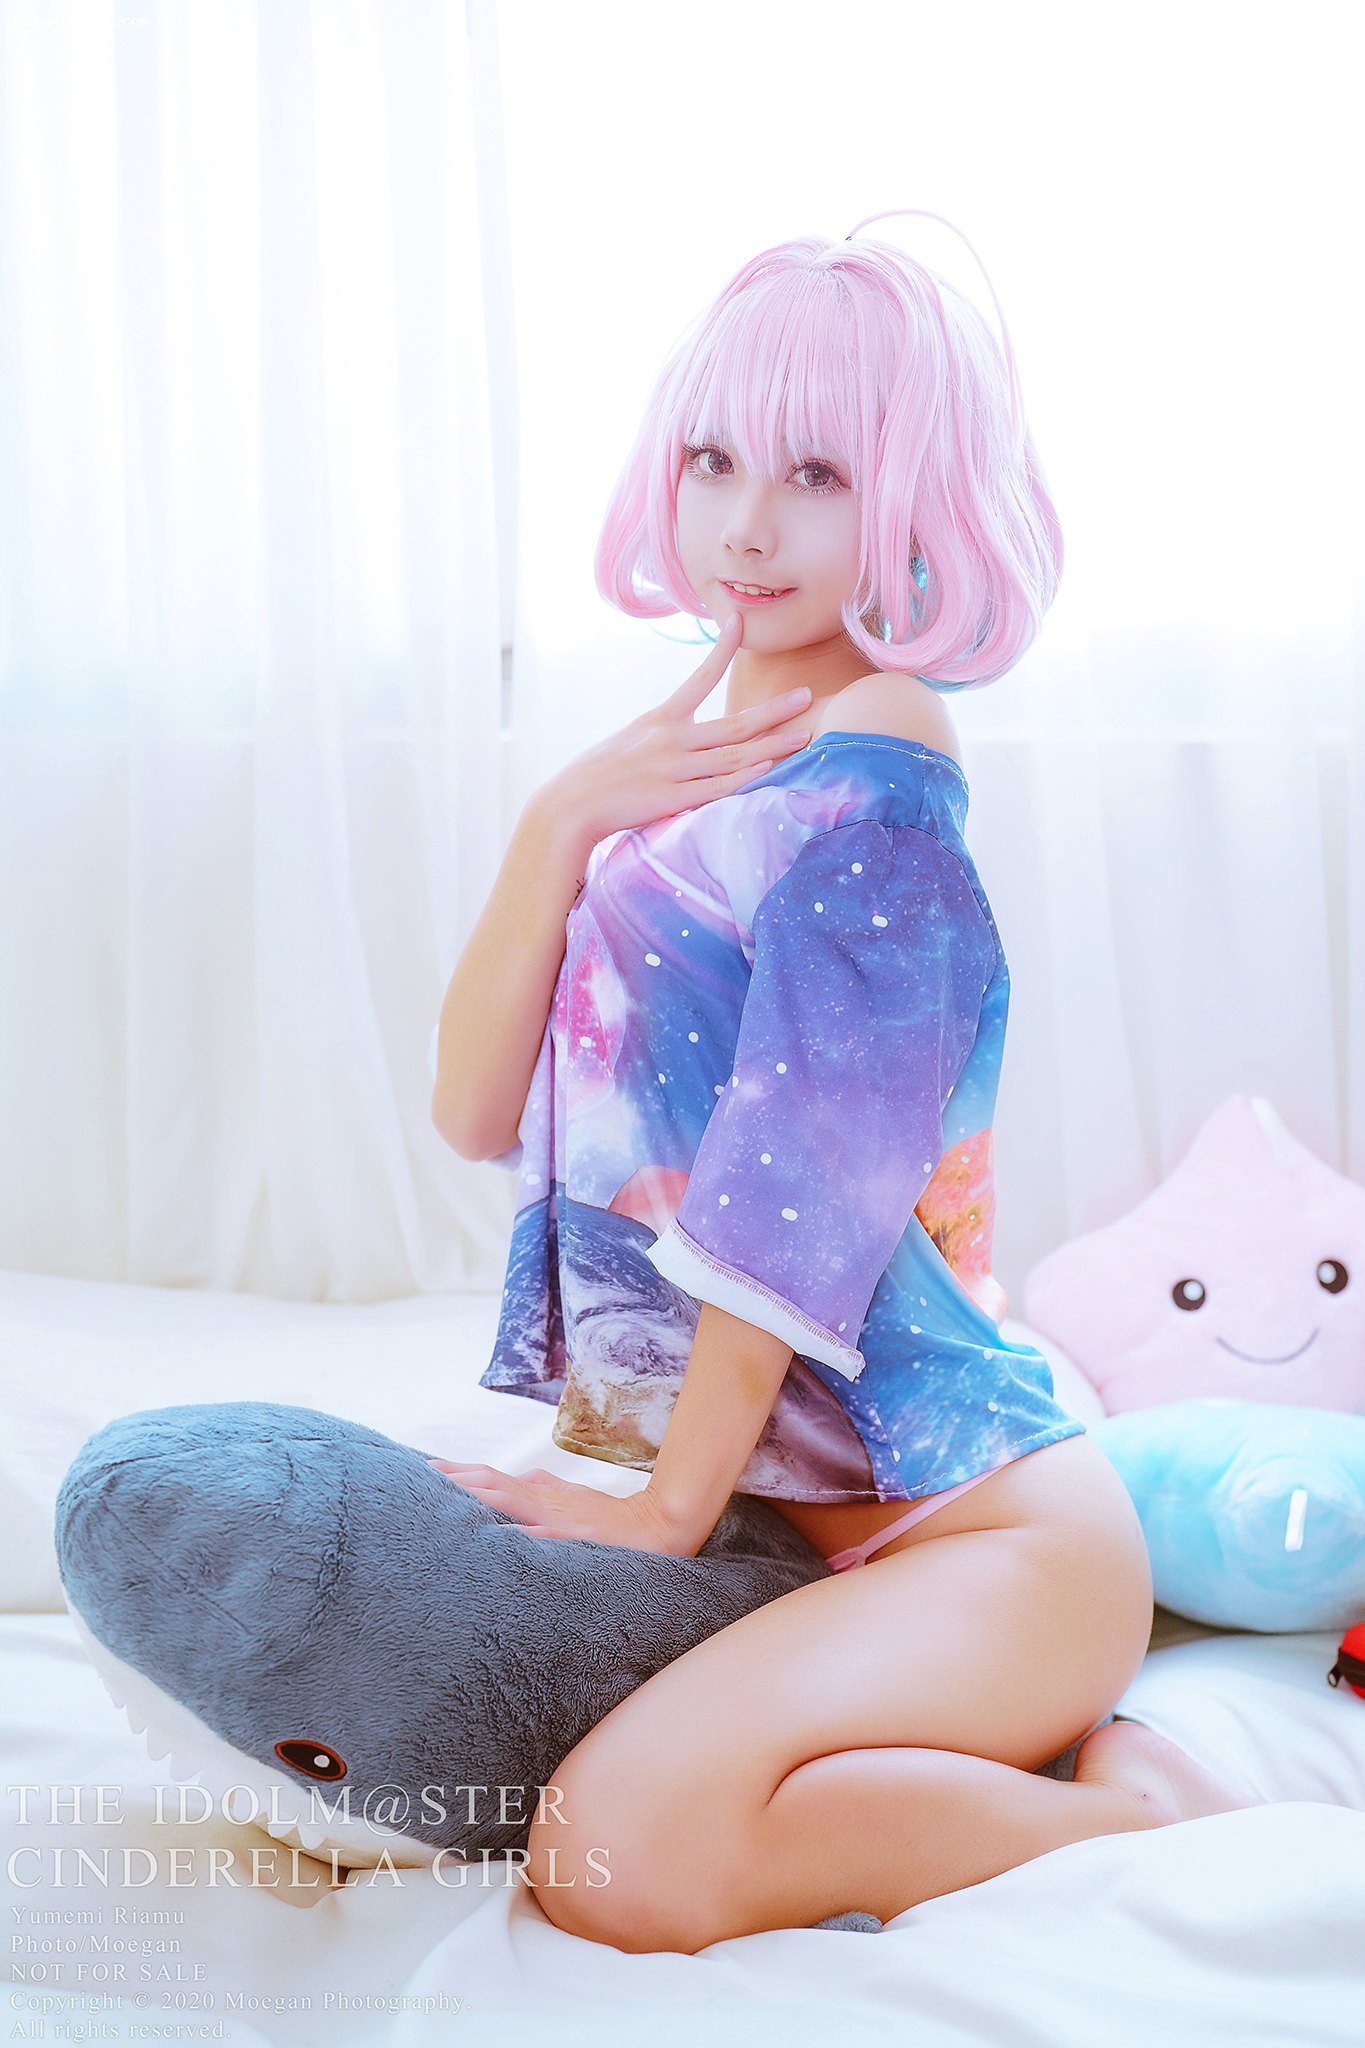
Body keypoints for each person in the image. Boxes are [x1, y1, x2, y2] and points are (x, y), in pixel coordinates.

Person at [428, 208, 1261, 1953]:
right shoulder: (692, 766)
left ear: (910, 499)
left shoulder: (876, 764)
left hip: (980, 1531)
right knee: (608, 1831)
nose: (745, 524)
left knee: (613, 1860)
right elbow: (472, 1115)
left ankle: (1135, 1812)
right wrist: (554, 820)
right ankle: (1035, 1770)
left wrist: (665, 1510)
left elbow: (796, 1180)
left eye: (816, 473)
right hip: (810, 1533)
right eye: (713, 459)